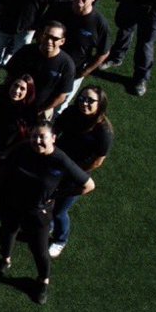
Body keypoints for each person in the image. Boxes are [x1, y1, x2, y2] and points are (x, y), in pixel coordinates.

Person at [0, 122, 95, 304]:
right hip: (13, 203)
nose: (37, 141)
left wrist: (57, 195)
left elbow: (88, 185)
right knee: (8, 233)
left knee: (39, 249)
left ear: (53, 139)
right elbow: (7, 165)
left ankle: (42, 281)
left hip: (38, 213)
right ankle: (5, 259)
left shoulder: (60, 160)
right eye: (34, 136)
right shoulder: (24, 148)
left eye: (42, 137)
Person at [51, 86, 112, 257]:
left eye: (90, 100)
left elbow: (98, 161)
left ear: (100, 104)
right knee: (49, 198)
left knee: (60, 210)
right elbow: (56, 128)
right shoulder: (72, 112)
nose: (84, 103)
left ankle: (60, 239)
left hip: (76, 173)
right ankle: (48, 226)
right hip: (57, 163)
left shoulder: (103, 132)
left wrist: (75, 171)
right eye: (82, 98)